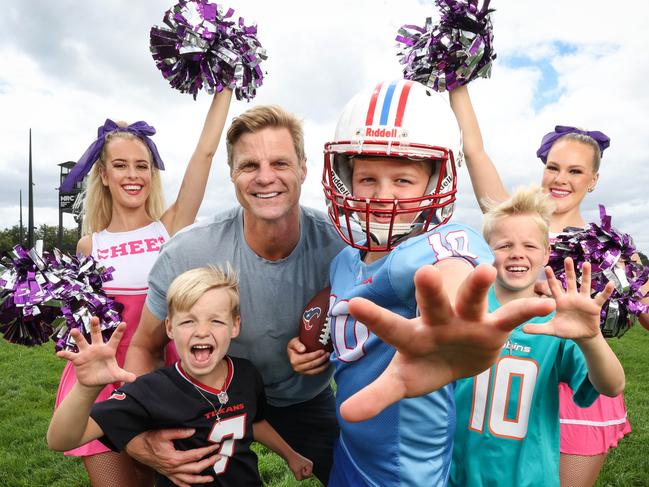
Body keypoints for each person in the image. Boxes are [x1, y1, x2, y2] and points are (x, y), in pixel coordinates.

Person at [289, 79, 557, 486]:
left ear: (435, 184)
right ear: (344, 178)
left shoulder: (431, 247)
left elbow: (451, 267)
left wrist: (455, 318)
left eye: (403, 180)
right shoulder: (344, 260)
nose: (383, 196)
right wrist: (314, 349)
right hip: (350, 452)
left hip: (405, 472)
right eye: (367, 179)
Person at [122, 104, 346, 486]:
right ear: (232, 174)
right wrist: (143, 427)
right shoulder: (188, 251)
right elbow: (145, 346)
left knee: (352, 476)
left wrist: (329, 348)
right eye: (248, 166)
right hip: (208, 396)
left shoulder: (340, 244)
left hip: (303, 397)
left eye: (280, 163)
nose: (265, 178)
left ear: (304, 169)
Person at [449, 85, 648, 486]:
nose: (561, 179)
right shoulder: (517, 223)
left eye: (575, 171)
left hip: (579, 389)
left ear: (593, 180)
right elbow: (475, 152)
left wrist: (625, 303)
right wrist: (458, 82)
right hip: (503, 384)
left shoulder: (612, 252)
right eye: (553, 167)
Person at [54, 89, 233, 486]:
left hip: (157, 371)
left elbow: (203, 157)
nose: (133, 175)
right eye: (121, 165)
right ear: (104, 174)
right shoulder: (90, 246)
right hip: (104, 379)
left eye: (142, 165)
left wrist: (225, 87)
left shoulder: (168, 227)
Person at [47, 265, 313, 486]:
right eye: (188, 321)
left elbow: (252, 422)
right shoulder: (152, 390)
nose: (201, 331)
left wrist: (290, 455)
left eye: (216, 321)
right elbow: (62, 440)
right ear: (170, 328)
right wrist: (85, 388)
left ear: (235, 326)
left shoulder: (245, 373)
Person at [450, 185, 625, 487]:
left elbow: (612, 386)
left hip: (529, 477)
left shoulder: (558, 320)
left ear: (546, 253)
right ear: (486, 250)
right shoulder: (465, 307)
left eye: (530, 246)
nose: (517, 253)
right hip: (456, 473)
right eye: (504, 245)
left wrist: (590, 338)